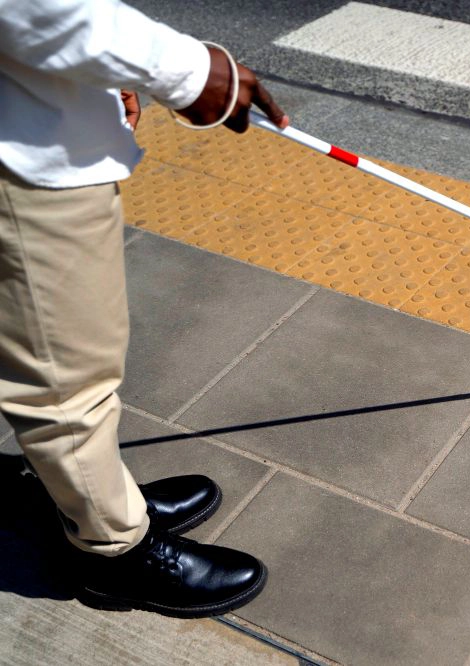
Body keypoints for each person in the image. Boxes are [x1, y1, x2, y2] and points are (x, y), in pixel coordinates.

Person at [0, 0, 290, 617]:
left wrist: (105, 73)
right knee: (65, 378)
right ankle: (112, 551)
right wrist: (185, 69)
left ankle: (91, 496)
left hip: (31, 101)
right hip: (19, 143)